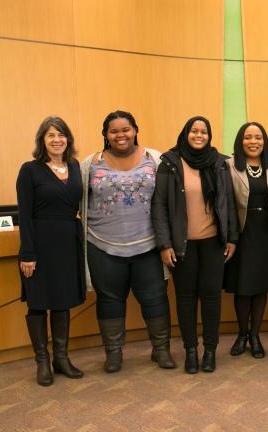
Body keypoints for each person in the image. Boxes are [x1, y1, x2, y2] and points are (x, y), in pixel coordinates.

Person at [81, 111, 175, 373]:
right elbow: (77, 200)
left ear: (135, 130)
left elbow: (169, 199)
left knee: (155, 298)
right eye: (114, 131)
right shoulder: (90, 163)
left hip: (148, 245)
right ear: (105, 135)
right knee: (109, 300)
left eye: (126, 129)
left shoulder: (155, 159)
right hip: (102, 245)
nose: (120, 135)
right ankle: (113, 354)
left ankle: (161, 349)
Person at [152, 116, 238, 373]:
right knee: (186, 298)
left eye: (204, 132)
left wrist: (232, 237)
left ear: (209, 136)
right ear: (186, 133)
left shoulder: (221, 163)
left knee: (212, 298)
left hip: (213, 243)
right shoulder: (169, 162)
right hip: (181, 246)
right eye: (194, 131)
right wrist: (164, 245)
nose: (199, 135)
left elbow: (229, 204)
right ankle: (191, 350)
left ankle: (210, 351)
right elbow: (159, 206)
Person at [16, 116, 86, 386]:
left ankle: (61, 358)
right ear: (42, 141)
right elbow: (25, 214)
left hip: (68, 243)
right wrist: (27, 254)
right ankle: (42, 361)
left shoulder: (75, 166)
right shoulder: (30, 170)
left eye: (61, 134)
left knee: (62, 300)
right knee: (38, 302)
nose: (57, 139)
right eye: (50, 135)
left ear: (68, 139)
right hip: (39, 246)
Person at [224, 122, 268, 359]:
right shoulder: (228, 165)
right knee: (243, 286)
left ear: (264, 141)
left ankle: (255, 336)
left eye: (258, 137)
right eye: (248, 137)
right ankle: (242, 335)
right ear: (240, 140)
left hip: (267, 232)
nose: (253, 142)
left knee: (260, 286)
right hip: (242, 233)